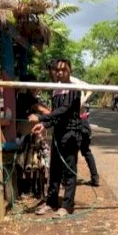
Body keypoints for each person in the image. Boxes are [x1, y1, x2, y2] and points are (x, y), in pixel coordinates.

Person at [29, 59, 82, 218]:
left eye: (63, 69)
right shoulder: (56, 90)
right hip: (58, 134)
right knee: (54, 169)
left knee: (69, 170)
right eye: (57, 70)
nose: (60, 72)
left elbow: (64, 111)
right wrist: (44, 125)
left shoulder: (74, 90)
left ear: (69, 70)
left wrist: (40, 117)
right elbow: (55, 116)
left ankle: (67, 206)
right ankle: (51, 202)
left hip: (71, 133)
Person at [70, 76, 100, 187]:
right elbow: (90, 88)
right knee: (86, 152)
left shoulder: (72, 82)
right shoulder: (75, 83)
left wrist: (83, 99)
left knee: (73, 152)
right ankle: (94, 178)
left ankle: (70, 179)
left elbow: (90, 89)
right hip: (83, 121)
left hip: (78, 121)